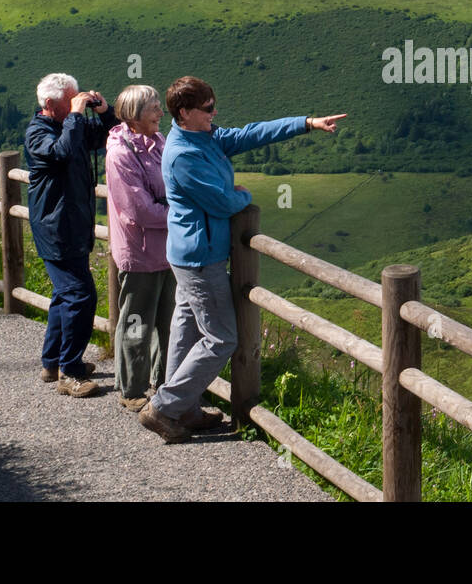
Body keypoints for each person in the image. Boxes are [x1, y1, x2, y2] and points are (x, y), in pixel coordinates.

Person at [138, 75, 346, 443]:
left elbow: (251, 134)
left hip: (190, 254)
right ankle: (165, 408)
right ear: (184, 112)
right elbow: (220, 202)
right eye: (208, 109)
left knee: (186, 332)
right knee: (221, 338)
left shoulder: (203, 137)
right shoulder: (184, 154)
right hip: (202, 257)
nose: (215, 113)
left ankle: (182, 408)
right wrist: (242, 196)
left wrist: (306, 124)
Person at [24, 72, 119, 398]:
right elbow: (61, 152)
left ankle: (52, 363)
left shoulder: (70, 126)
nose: (77, 103)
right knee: (81, 295)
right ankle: (71, 371)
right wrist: (77, 115)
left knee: (65, 295)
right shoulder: (37, 134)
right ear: (50, 104)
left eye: (78, 97)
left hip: (72, 226)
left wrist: (104, 110)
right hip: (56, 229)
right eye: (71, 99)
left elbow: (111, 133)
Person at [104, 84, 173, 412]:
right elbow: (139, 211)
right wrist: (182, 216)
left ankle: (163, 385)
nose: (161, 112)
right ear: (133, 115)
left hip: (167, 248)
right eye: (154, 108)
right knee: (137, 322)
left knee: (168, 320)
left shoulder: (157, 142)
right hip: (140, 250)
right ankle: (132, 389)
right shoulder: (120, 153)